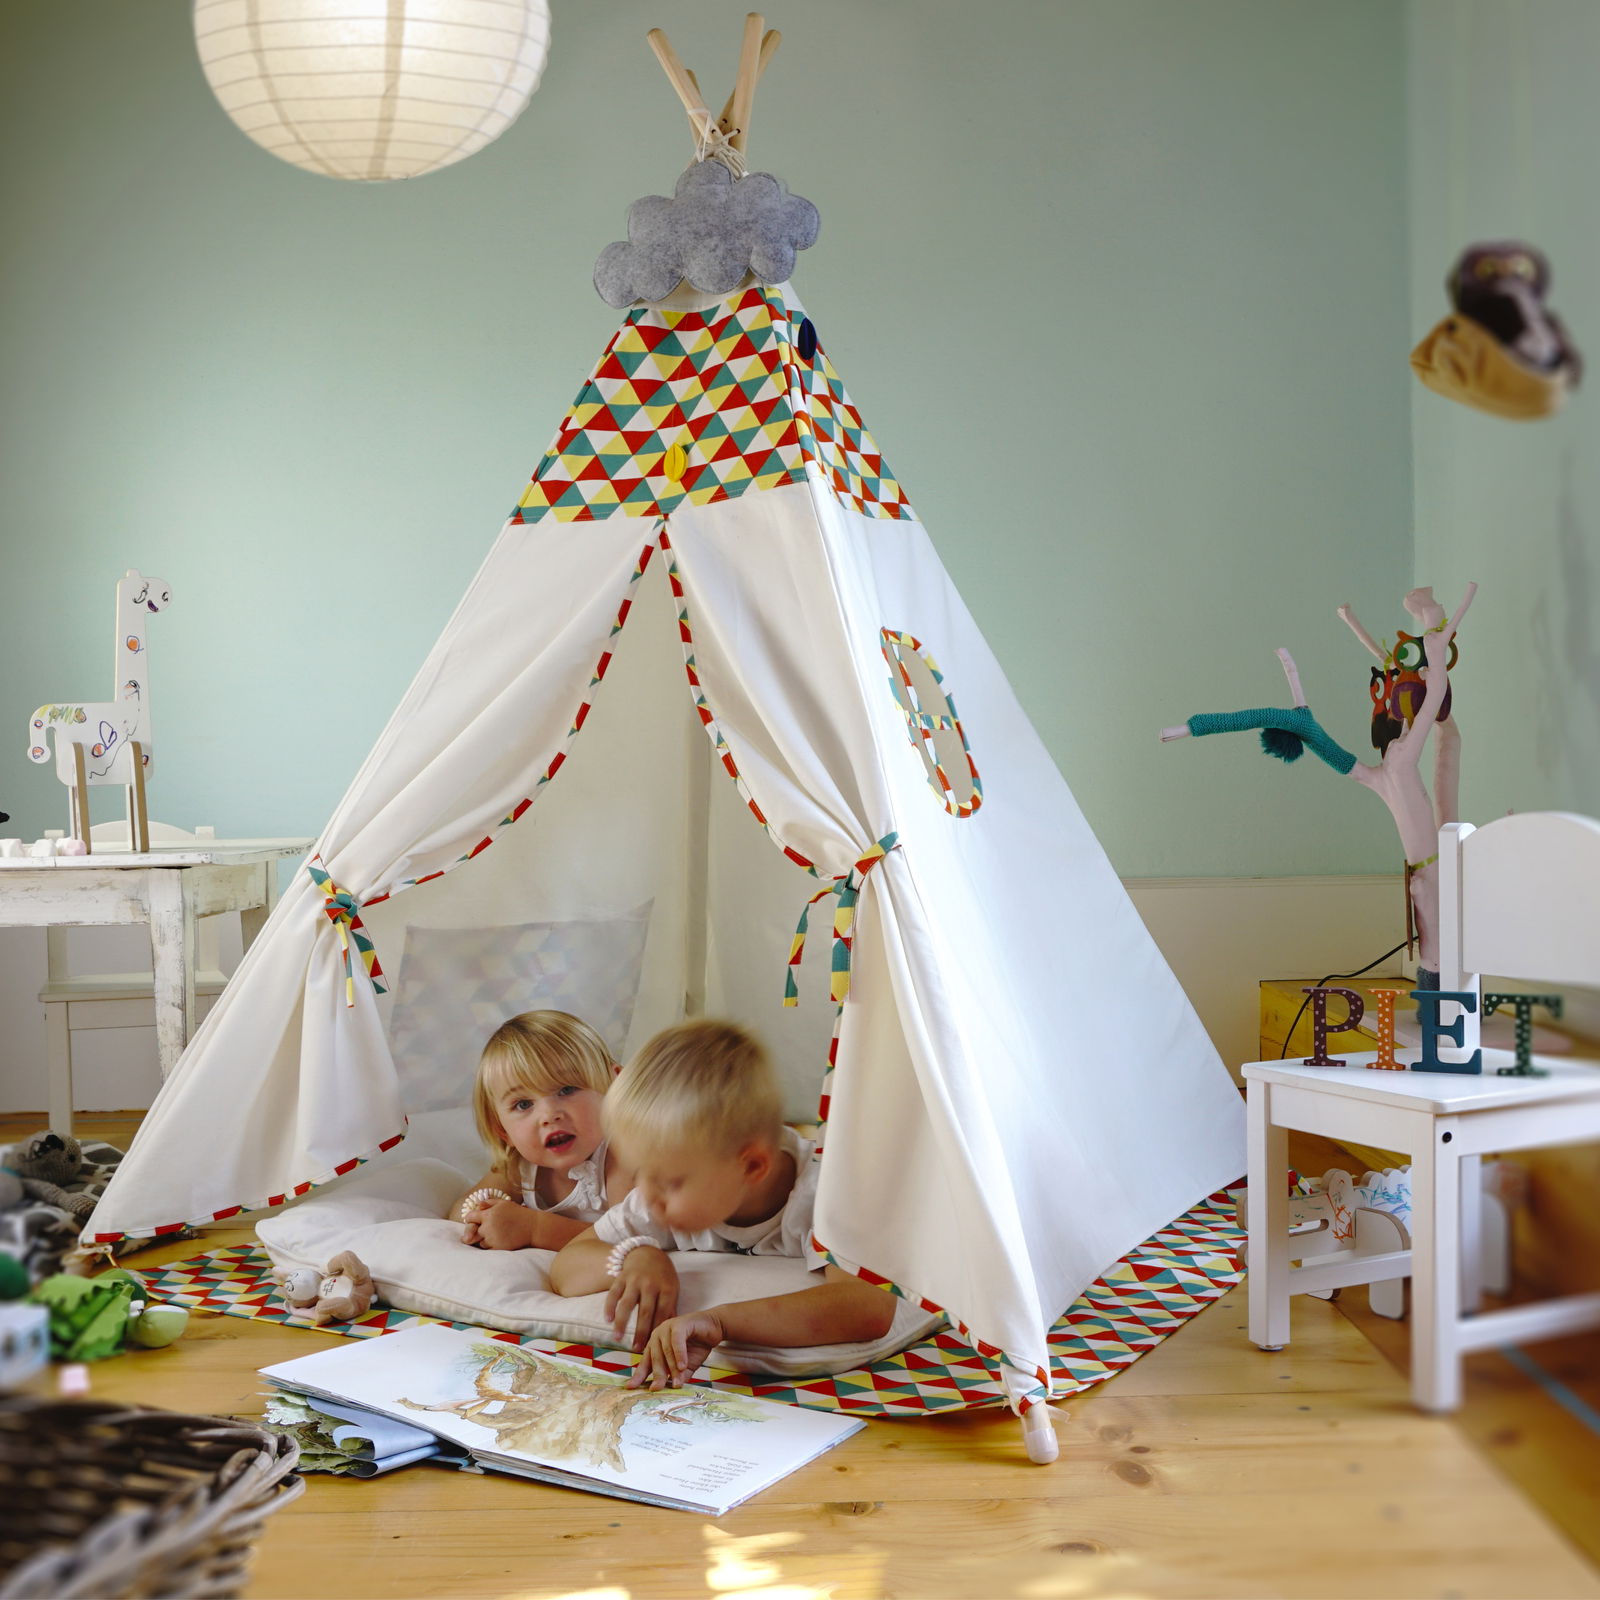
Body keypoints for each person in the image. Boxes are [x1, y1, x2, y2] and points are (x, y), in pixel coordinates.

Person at [547, 1018, 895, 1388]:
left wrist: (720, 1322)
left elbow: (869, 1308)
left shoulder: (825, 1195)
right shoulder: (659, 1195)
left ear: (751, 1166)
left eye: (668, 1182)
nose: (647, 1197)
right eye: (638, 1175)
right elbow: (566, 1268)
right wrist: (635, 1255)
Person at [453, 1010, 633, 1252]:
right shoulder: (520, 1167)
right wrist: (482, 1218)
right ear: (502, 1131)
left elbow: (629, 1237)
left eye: (567, 1090)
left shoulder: (621, 1157)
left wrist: (533, 1228)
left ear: (616, 1088)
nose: (549, 1115)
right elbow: (459, 1211)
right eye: (524, 1104)